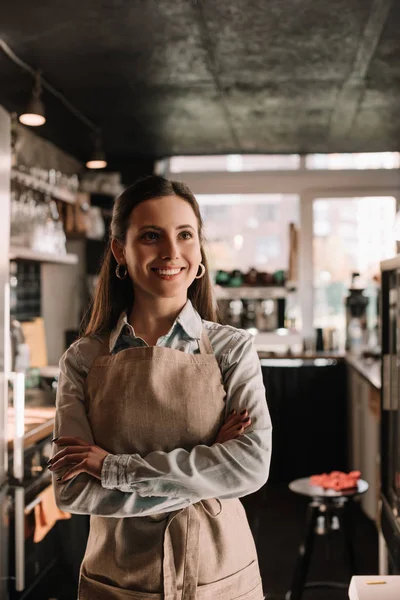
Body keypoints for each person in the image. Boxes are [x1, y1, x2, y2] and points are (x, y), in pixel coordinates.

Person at [49, 175, 272, 600]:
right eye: (152, 236)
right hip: (117, 582)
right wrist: (208, 470)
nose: (172, 252)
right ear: (120, 249)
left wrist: (113, 469)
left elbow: (249, 468)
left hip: (220, 575)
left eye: (185, 235)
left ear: (198, 246)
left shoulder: (231, 350)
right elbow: (73, 488)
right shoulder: (82, 359)